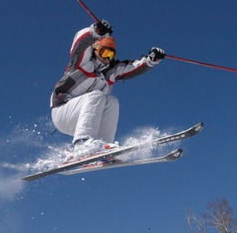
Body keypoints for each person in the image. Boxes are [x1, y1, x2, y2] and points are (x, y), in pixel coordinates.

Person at [50, 19, 165, 156]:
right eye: (104, 53)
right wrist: (95, 32)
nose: (107, 58)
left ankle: (103, 148)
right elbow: (79, 46)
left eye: (111, 55)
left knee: (112, 101)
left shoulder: (109, 74)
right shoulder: (82, 63)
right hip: (62, 111)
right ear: (96, 49)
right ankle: (82, 144)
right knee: (97, 95)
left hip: (83, 121)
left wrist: (150, 60)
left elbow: (132, 68)